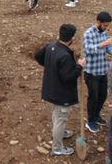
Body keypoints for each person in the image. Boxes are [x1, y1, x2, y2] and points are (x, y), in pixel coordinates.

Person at [35, 24, 86, 156]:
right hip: (61, 93)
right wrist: (79, 66)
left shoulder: (51, 46)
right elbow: (68, 77)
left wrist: (49, 65)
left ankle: (60, 132)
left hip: (51, 89)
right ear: (72, 38)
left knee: (56, 114)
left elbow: (38, 56)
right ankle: (57, 147)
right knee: (61, 117)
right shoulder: (64, 56)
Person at [83, 12, 112, 133]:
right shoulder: (88, 33)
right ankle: (90, 120)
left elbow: (107, 48)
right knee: (93, 97)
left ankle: (97, 115)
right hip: (91, 72)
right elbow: (88, 49)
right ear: (98, 22)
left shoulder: (103, 32)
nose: (106, 28)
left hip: (102, 70)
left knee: (102, 95)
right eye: (104, 26)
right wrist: (105, 43)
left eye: (107, 26)